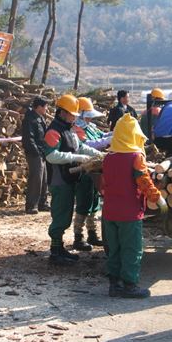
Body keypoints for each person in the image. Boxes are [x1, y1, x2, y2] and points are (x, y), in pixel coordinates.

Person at [102, 114, 168, 298]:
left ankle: (114, 285)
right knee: (131, 249)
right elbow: (144, 182)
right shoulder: (135, 157)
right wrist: (157, 198)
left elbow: (103, 184)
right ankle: (130, 286)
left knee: (114, 249)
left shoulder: (108, 157)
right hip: (129, 213)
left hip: (109, 212)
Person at [44, 94, 103, 265]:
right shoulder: (53, 131)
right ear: (62, 112)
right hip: (59, 179)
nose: (74, 117)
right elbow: (51, 155)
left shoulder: (69, 128)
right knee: (60, 215)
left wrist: (97, 154)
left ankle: (59, 248)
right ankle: (55, 251)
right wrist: (76, 157)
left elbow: (81, 146)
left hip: (69, 178)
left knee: (66, 214)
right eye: (71, 114)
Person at [73, 97, 111, 249]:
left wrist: (114, 135)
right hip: (84, 170)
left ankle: (92, 234)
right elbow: (86, 144)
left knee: (95, 203)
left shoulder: (90, 126)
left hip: (96, 168)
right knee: (84, 203)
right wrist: (106, 142)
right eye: (87, 115)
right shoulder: (76, 128)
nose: (89, 118)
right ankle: (78, 237)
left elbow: (101, 136)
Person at [21, 96, 50, 214]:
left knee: (44, 179)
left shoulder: (40, 118)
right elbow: (29, 138)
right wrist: (36, 152)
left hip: (41, 152)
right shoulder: (30, 119)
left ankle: (42, 203)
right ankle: (31, 205)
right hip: (34, 153)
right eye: (45, 106)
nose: (47, 109)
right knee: (36, 179)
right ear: (39, 107)